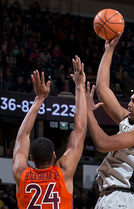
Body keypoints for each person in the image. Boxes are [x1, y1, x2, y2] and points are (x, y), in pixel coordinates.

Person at [86, 32, 134, 209]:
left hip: (124, 198)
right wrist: (109, 49)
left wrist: (88, 112)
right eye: (130, 99)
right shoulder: (128, 121)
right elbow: (102, 90)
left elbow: (103, 144)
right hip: (110, 196)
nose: (129, 103)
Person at [12, 56, 87, 208]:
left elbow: (22, 136)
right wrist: (79, 86)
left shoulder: (21, 174)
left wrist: (39, 99)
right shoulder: (64, 172)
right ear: (54, 155)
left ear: (31, 158)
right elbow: (80, 128)